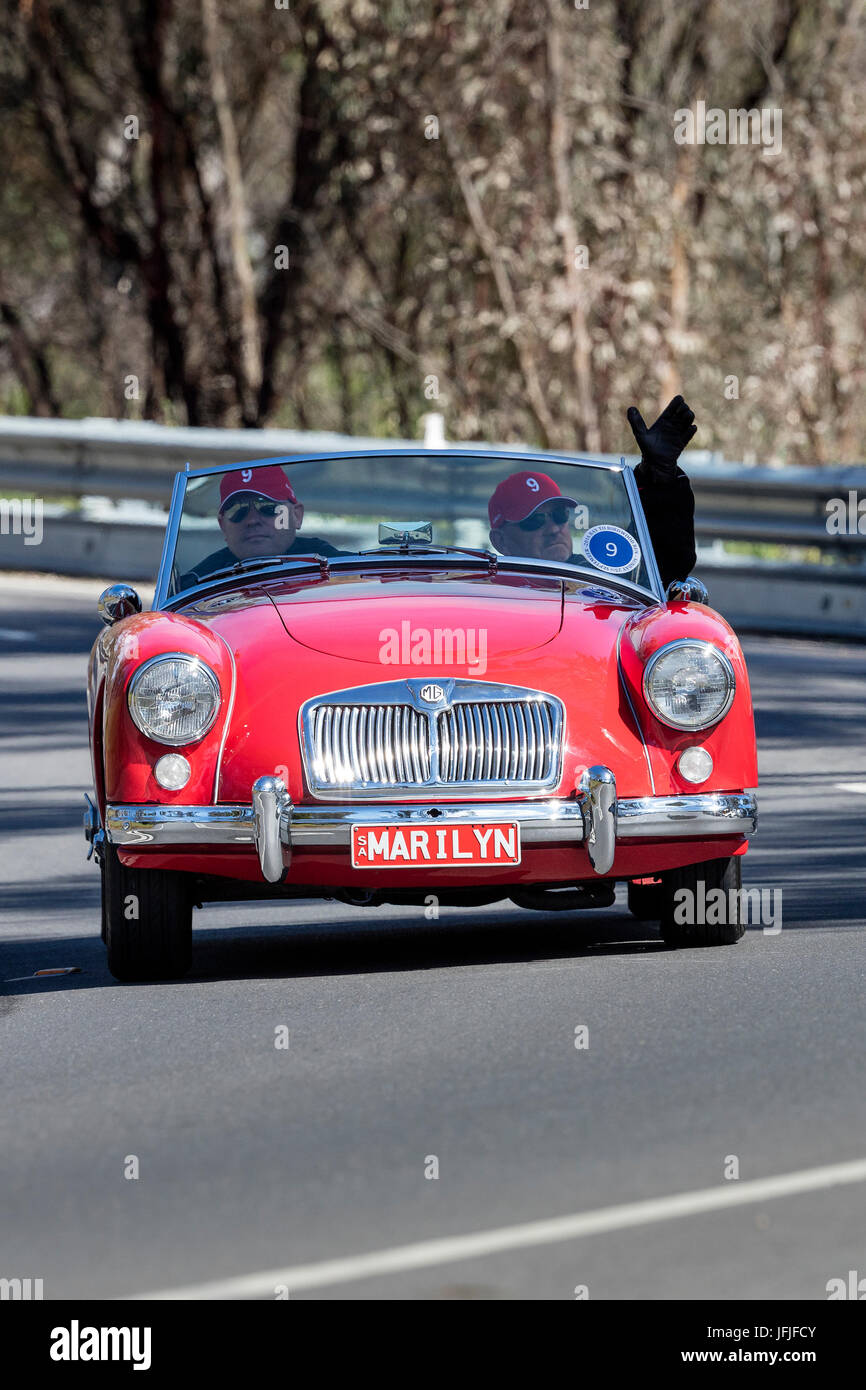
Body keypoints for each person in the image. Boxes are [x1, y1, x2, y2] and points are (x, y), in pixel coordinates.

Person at [488, 395, 698, 590]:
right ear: (500, 541)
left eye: (559, 516)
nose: (553, 529)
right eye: (534, 520)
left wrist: (658, 481)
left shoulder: (600, 577)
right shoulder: (482, 591)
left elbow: (660, 570)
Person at [177, 465, 341, 588]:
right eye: (239, 510)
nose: (252, 520)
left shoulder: (340, 566)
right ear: (223, 525)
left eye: (268, 507)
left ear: (296, 515)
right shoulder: (192, 584)